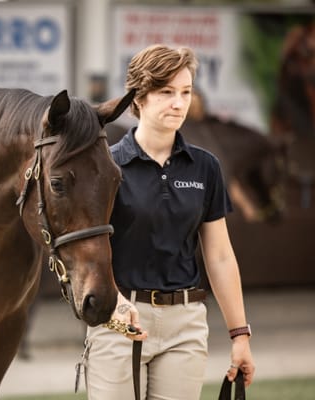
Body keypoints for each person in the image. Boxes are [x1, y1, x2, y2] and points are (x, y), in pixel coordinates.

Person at [83, 44, 255, 399]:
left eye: (186, 92)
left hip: (186, 326)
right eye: (166, 92)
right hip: (119, 321)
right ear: (139, 98)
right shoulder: (107, 166)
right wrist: (111, 304)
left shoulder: (206, 166)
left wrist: (240, 335)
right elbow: (87, 254)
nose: (179, 103)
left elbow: (220, 256)